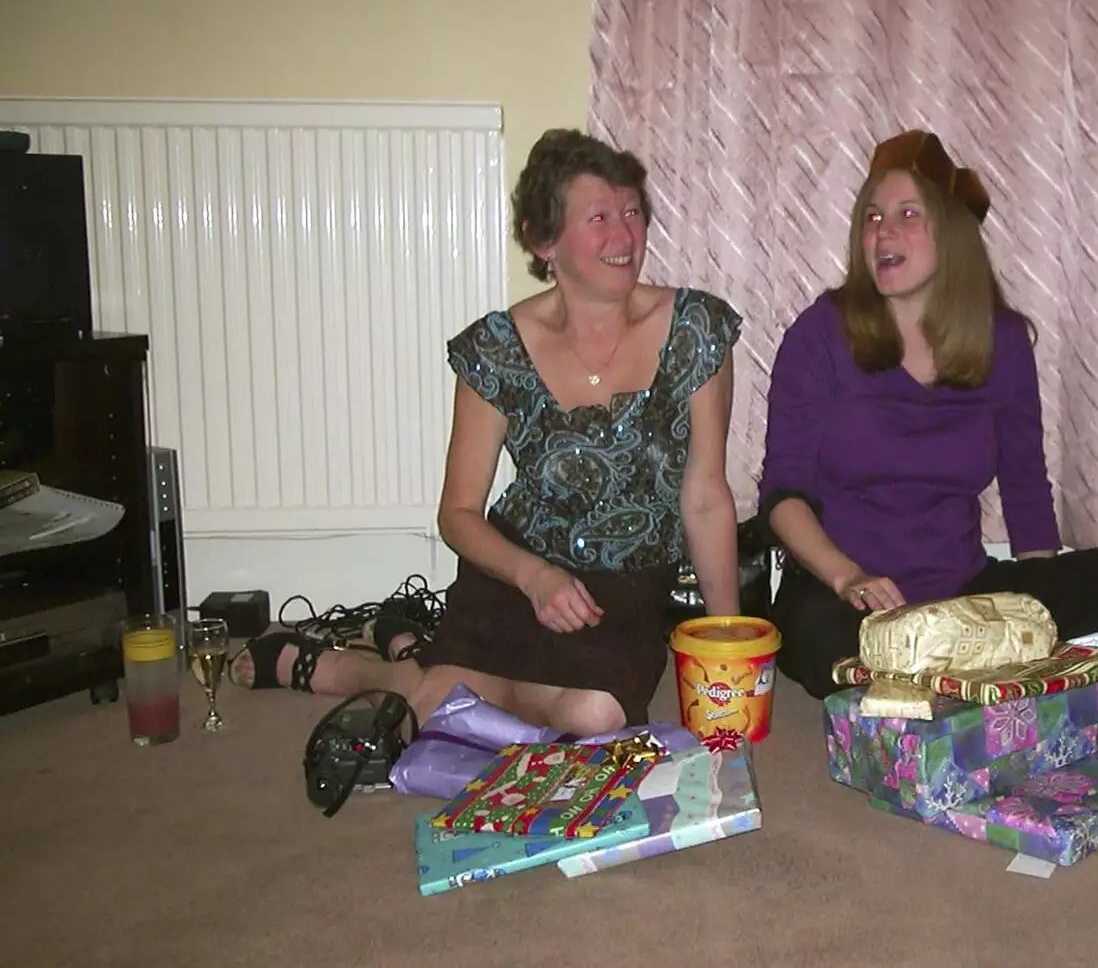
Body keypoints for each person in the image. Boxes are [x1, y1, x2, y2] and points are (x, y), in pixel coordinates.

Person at [228, 129, 744, 735]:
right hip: (519, 573)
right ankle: (372, 672)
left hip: (625, 586)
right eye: (598, 216)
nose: (624, 235)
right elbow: (458, 514)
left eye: (632, 212)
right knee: (431, 713)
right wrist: (535, 577)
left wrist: (729, 643)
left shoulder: (694, 328)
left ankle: (411, 665)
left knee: (594, 715)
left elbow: (705, 496)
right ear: (542, 239)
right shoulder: (497, 347)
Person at [758, 129, 1098, 700]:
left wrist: (1035, 603)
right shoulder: (820, 334)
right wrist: (846, 576)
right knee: (814, 638)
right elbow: (783, 494)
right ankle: (951, 670)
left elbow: (1025, 483)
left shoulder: (999, 340)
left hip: (964, 594)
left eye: (908, 213)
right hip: (846, 598)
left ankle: (940, 668)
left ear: (951, 233)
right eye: (873, 217)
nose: (883, 231)